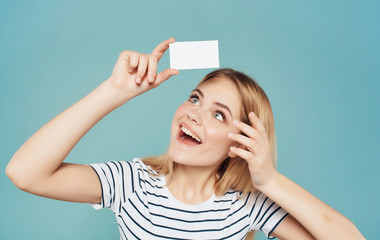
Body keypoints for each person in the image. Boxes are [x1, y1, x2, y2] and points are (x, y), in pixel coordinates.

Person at [6, 38, 365, 240]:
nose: (194, 112)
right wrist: (114, 91)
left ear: (240, 143)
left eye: (218, 114)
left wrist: (269, 179)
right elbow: (24, 172)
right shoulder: (132, 183)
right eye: (195, 99)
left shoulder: (245, 205)